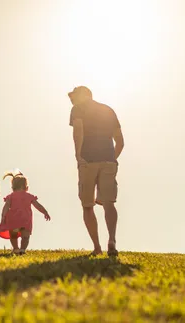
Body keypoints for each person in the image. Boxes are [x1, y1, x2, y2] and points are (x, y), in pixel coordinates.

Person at [68, 86, 125, 256]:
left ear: (84, 95)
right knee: (109, 203)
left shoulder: (78, 109)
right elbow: (120, 142)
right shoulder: (108, 110)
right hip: (108, 160)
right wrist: (111, 158)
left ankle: (97, 247)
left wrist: (78, 155)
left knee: (87, 205)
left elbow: (78, 131)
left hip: (87, 161)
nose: (72, 101)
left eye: (74, 97)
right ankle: (112, 240)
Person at [0, 171, 51, 255]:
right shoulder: (29, 196)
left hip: (13, 219)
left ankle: (15, 249)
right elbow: (37, 205)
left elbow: (6, 207)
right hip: (25, 220)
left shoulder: (10, 196)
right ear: (24, 186)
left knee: (13, 236)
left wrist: (3, 216)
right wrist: (45, 212)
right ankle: (22, 249)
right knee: (25, 236)